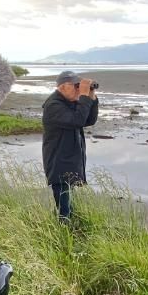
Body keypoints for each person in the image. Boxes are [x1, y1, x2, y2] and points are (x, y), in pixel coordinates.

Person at [41, 69, 99, 221]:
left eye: (78, 85)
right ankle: (63, 236)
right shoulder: (53, 105)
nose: (78, 89)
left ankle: (68, 230)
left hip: (69, 160)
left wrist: (91, 97)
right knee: (64, 208)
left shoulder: (68, 102)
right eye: (75, 86)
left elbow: (88, 120)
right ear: (62, 87)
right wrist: (84, 97)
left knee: (67, 204)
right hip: (59, 162)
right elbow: (77, 120)